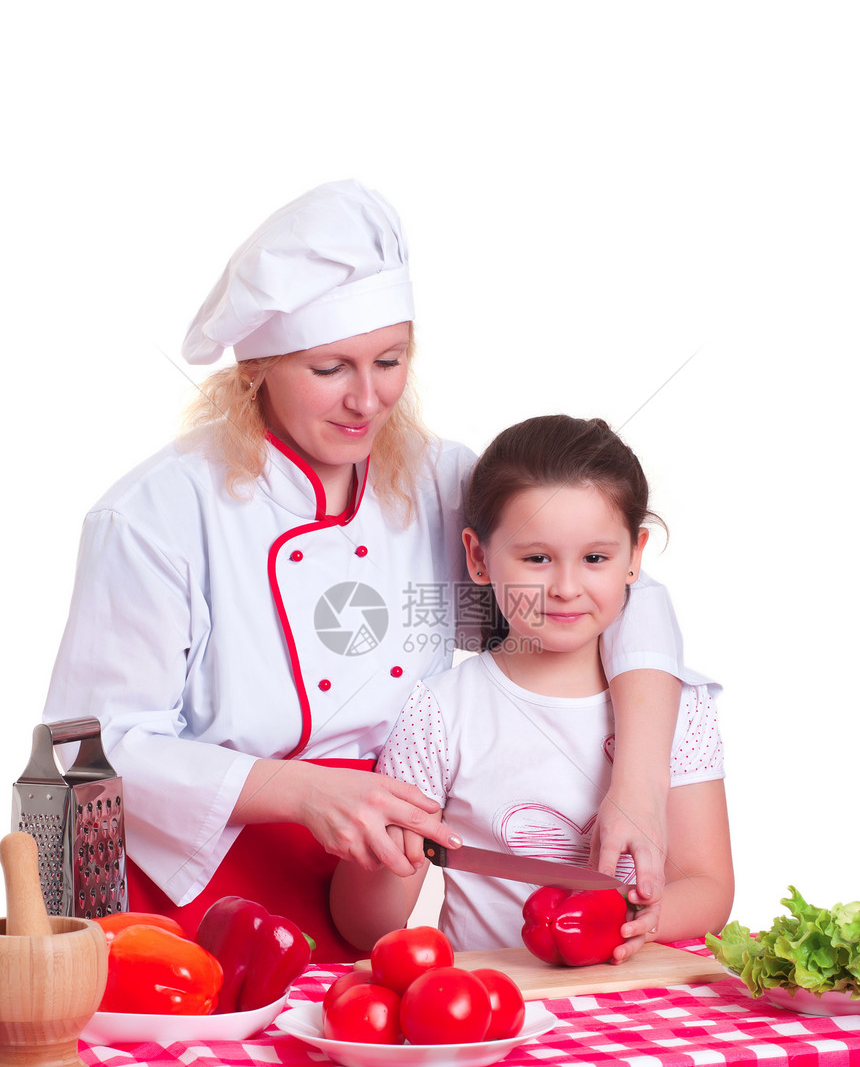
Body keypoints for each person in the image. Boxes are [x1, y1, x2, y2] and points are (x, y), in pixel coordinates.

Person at [45, 181, 705, 961]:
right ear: (254, 368)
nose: (368, 399)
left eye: (389, 361)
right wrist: (301, 790)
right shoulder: (154, 516)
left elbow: (620, 597)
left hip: (375, 880)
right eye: (330, 368)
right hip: (190, 891)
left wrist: (636, 788)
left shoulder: (440, 479)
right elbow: (89, 749)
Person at [330, 415, 733, 959]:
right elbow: (369, 927)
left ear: (635, 556)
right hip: (498, 1004)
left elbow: (709, 885)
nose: (566, 588)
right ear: (478, 557)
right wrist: (379, 860)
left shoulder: (679, 708)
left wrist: (638, 922)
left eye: (595, 558)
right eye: (536, 558)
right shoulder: (441, 710)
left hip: (637, 999)